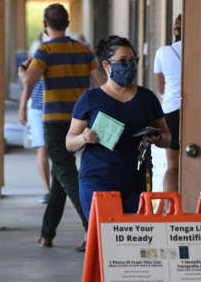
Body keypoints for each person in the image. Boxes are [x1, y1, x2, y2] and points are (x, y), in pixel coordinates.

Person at [18, 3, 105, 250]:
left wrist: (22, 70)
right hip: (80, 120)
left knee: (67, 173)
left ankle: (92, 227)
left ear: (45, 25)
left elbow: (29, 80)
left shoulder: (44, 51)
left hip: (55, 122)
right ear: (68, 23)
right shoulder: (84, 50)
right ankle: (47, 233)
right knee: (60, 176)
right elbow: (100, 83)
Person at [66, 35, 171, 220]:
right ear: (107, 66)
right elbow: (69, 142)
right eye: (122, 61)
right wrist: (84, 138)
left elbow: (168, 139)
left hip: (136, 181)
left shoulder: (147, 98)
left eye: (133, 60)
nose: (129, 66)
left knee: (132, 240)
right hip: (97, 180)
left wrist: (157, 138)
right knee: (104, 237)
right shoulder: (90, 99)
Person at [154, 14, 201, 192]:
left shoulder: (163, 52)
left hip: (172, 110)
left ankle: (170, 207)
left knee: (173, 165)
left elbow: (161, 88)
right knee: (199, 160)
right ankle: (198, 205)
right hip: (200, 110)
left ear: (176, 31)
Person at [19, 32, 51, 204]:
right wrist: (23, 107)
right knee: (42, 149)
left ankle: (58, 190)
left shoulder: (59, 53)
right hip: (39, 108)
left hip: (58, 107)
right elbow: (28, 83)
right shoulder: (37, 54)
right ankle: (48, 190)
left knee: (57, 151)